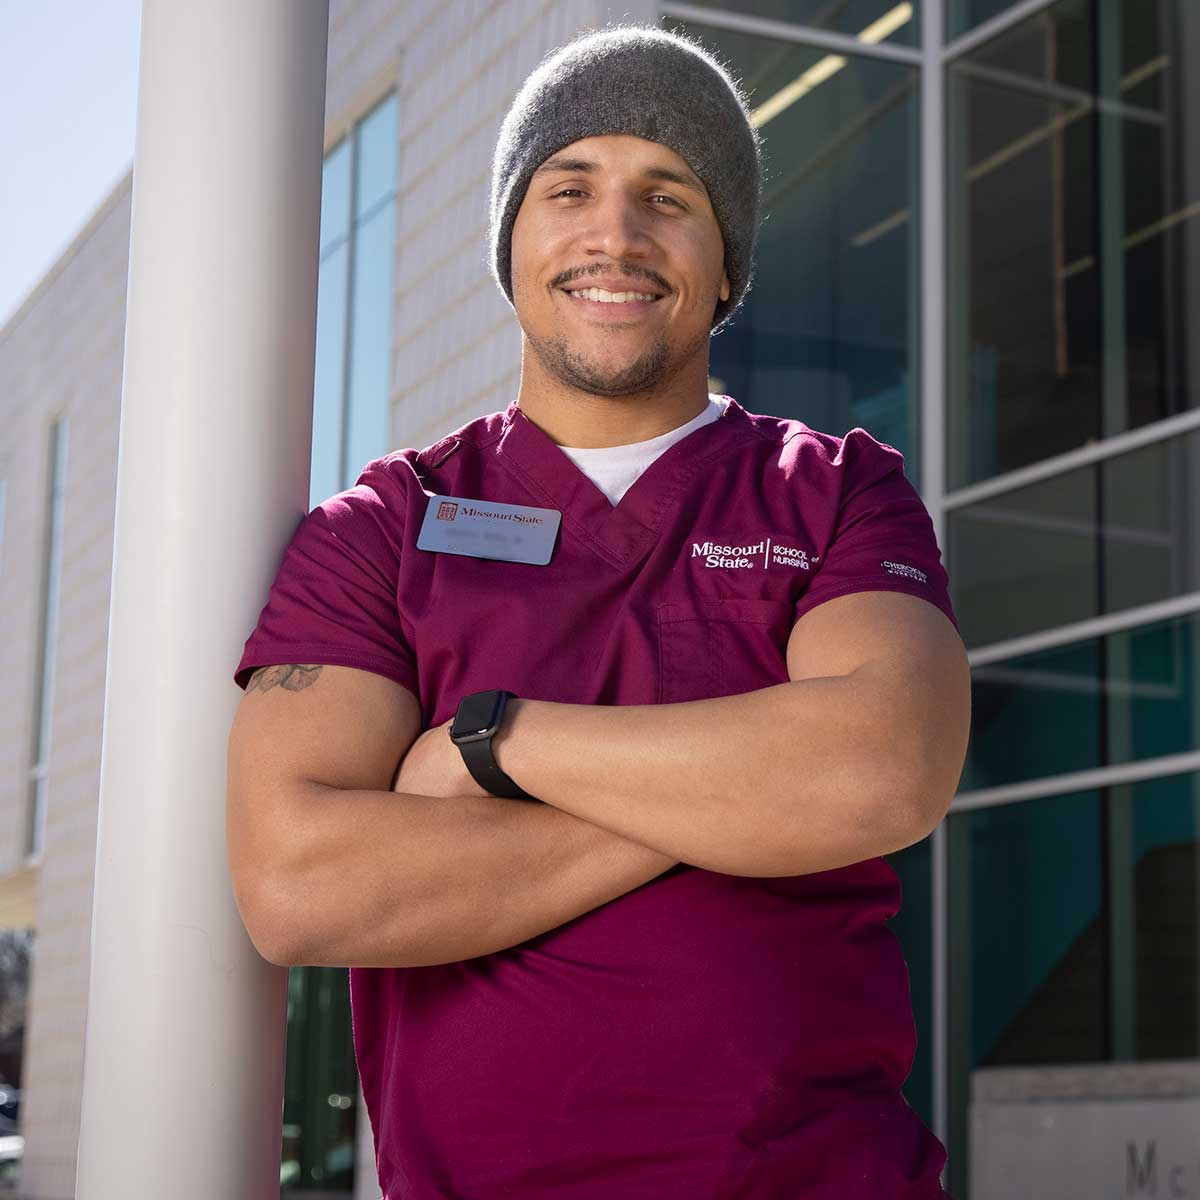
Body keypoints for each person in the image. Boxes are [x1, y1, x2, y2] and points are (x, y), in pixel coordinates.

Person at [226, 23, 971, 1200]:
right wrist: (761, 788)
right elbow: (300, 887)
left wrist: (494, 741)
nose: (615, 234)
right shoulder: (380, 527)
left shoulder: (836, 490)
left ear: (728, 262)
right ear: (511, 243)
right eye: (569, 188)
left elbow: (884, 771)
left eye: (668, 196)